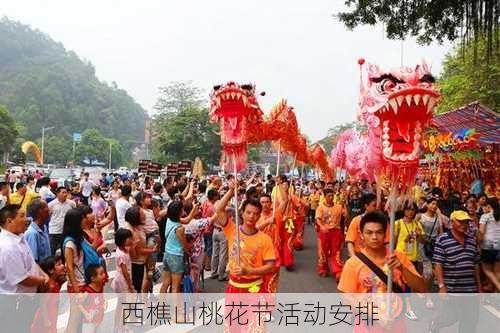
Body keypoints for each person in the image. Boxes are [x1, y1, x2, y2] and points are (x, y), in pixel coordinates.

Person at [338, 211, 426, 332]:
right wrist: (376, 315)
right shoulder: (353, 263)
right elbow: (347, 297)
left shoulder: (398, 257)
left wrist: (402, 268)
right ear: (361, 235)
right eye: (369, 232)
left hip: (396, 322)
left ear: (385, 234)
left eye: (379, 232)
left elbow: (421, 287)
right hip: (367, 325)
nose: (374, 237)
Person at [430, 210, 481, 333]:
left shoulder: (471, 240)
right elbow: (438, 264)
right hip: (452, 289)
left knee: (470, 323)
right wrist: (442, 286)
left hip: (471, 290)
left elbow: (476, 264)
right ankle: (435, 324)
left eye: (466, 222)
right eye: (461, 222)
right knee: (450, 317)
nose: (464, 225)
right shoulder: (442, 239)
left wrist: (479, 286)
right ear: (452, 223)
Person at [0, 205, 48, 333]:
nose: (27, 220)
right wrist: (43, 281)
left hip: (27, 299)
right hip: (16, 303)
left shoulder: (19, 238)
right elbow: (22, 279)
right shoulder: (8, 247)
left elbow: (32, 262)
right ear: (9, 221)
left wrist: (43, 275)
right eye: (22, 216)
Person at [394, 203, 424, 320]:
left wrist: (419, 235)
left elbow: (422, 241)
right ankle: (407, 308)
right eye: (408, 209)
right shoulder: (398, 224)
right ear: (404, 210)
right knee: (401, 282)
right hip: (400, 257)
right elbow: (393, 241)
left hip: (413, 257)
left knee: (408, 283)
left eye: (413, 210)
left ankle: (404, 306)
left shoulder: (417, 224)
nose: (411, 212)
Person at [315, 188, 347, 280]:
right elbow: (318, 219)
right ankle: (323, 268)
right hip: (325, 232)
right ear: (324, 197)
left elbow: (345, 216)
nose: (331, 197)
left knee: (336, 251)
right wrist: (322, 226)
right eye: (329, 196)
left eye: (332, 195)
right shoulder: (320, 207)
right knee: (323, 251)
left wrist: (344, 204)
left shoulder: (339, 207)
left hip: (336, 231)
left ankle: (337, 271)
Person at [122, 206, 156, 293]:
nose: (144, 214)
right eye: (142, 214)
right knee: (138, 287)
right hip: (136, 263)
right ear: (136, 218)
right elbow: (138, 250)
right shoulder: (131, 232)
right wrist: (152, 250)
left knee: (144, 282)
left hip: (142, 261)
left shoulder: (138, 226)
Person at [31, 255, 67, 333]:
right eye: (59, 264)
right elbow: (43, 303)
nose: (63, 265)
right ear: (51, 270)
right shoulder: (50, 285)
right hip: (45, 317)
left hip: (52, 315)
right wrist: (46, 320)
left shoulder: (57, 282)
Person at [345, 193, 388, 257]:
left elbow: (387, 242)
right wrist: (353, 258)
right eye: (374, 205)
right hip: (360, 257)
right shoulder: (356, 220)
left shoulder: (384, 221)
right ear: (366, 206)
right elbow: (350, 241)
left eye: (379, 205)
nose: (377, 208)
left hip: (378, 257)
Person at [111, 228, 134, 333]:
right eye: (129, 238)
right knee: (124, 305)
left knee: (121, 304)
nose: (131, 239)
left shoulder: (122, 250)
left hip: (120, 280)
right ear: (123, 240)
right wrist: (130, 285)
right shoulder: (121, 255)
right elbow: (125, 273)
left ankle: (117, 327)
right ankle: (122, 328)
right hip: (122, 281)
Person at [256, 193, 280, 293]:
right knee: (258, 281)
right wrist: (267, 222)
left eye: (267, 202)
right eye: (262, 202)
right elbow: (253, 230)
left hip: (273, 254)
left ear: (271, 203)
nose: (265, 204)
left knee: (271, 281)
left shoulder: (276, 214)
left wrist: (281, 186)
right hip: (258, 254)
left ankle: (269, 303)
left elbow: (285, 201)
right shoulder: (255, 216)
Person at [478, 197, 500, 291]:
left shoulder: (485, 216)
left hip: (487, 245)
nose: (483, 208)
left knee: (486, 269)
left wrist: (478, 242)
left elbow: (481, 232)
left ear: (489, 206)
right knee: (497, 271)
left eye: (484, 206)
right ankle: (494, 292)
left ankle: (498, 287)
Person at [48, 187, 76, 256]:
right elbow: (48, 216)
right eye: (63, 192)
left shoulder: (71, 203)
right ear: (57, 194)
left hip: (67, 231)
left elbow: (75, 215)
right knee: (52, 250)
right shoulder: (51, 204)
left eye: (66, 192)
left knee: (66, 250)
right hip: (54, 231)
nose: (65, 194)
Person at [79, 264, 107, 333]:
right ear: (93, 278)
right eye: (101, 274)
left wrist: (105, 300)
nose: (104, 275)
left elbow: (102, 294)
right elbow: (78, 303)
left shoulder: (100, 285)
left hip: (99, 318)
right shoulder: (87, 291)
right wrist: (86, 314)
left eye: (104, 272)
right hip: (89, 322)